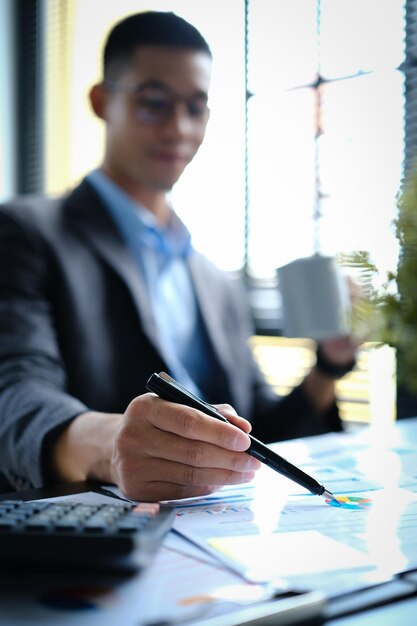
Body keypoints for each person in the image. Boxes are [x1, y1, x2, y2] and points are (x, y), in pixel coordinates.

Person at [0, 11, 357, 500]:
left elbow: (260, 434)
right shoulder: (26, 234)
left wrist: (329, 367)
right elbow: (14, 396)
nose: (179, 128)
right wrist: (109, 449)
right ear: (102, 102)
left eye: (196, 107)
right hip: (105, 547)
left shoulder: (216, 283)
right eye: (154, 103)